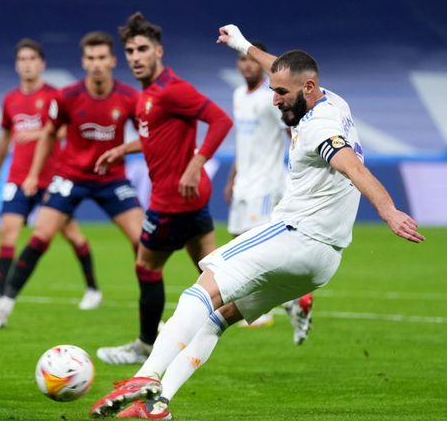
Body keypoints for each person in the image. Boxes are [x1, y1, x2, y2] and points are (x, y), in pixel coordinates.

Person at [89, 24, 424, 419]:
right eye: (273, 90)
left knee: (202, 287)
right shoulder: (332, 101)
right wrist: (243, 45)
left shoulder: (320, 127)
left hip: (295, 236)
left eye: (282, 94)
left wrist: (388, 211)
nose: (275, 99)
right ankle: (156, 405)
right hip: (323, 262)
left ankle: (146, 375)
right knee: (218, 318)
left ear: (309, 88)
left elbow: (352, 167)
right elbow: (278, 69)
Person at [94, 12, 233, 366]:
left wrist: (196, 163)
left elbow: (220, 120)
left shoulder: (173, 89)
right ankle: (230, 318)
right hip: (192, 197)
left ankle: (144, 344)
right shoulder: (148, 95)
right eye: (130, 51)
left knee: (146, 267)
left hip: (171, 201)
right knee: (211, 273)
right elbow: (155, 137)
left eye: (142, 49)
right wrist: (123, 149)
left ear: (158, 51)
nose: (135, 57)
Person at [0, 31, 143, 331]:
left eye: (102, 58)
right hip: (70, 176)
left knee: (142, 241)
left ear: (112, 60)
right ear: (84, 61)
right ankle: (2, 310)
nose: (96, 64)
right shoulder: (67, 96)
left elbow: (148, 137)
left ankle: (150, 320)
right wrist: (32, 173)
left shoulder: (129, 97)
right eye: (91, 58)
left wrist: (123, 149)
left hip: (112, 177)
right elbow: (49, 136)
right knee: (39, 236)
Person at [0, 38, 101, 312]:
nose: (27, 64)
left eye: (32, 59)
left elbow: (64, 130)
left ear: (42, 64)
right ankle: (0, 294)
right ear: (16, 65)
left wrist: (36, 133)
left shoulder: (54, 96)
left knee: (71, 234)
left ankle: (93, 289)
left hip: (52, 178)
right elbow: (6, 137)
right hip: (18, 178)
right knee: (7, 232)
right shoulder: (10, 99)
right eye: (22, 60)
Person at [224, 41, 313, 339]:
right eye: (240, 60)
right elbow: (242, 142)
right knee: (239, 248)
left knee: (253, 252)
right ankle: (292, 300)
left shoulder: (271, 99)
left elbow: (293, 131)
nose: (246, 65)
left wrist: (298, 174)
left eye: (250, 60)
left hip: (265, 185)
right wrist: (232, 178)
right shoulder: (239, 95)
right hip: (243, 185)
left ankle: (260, 311)